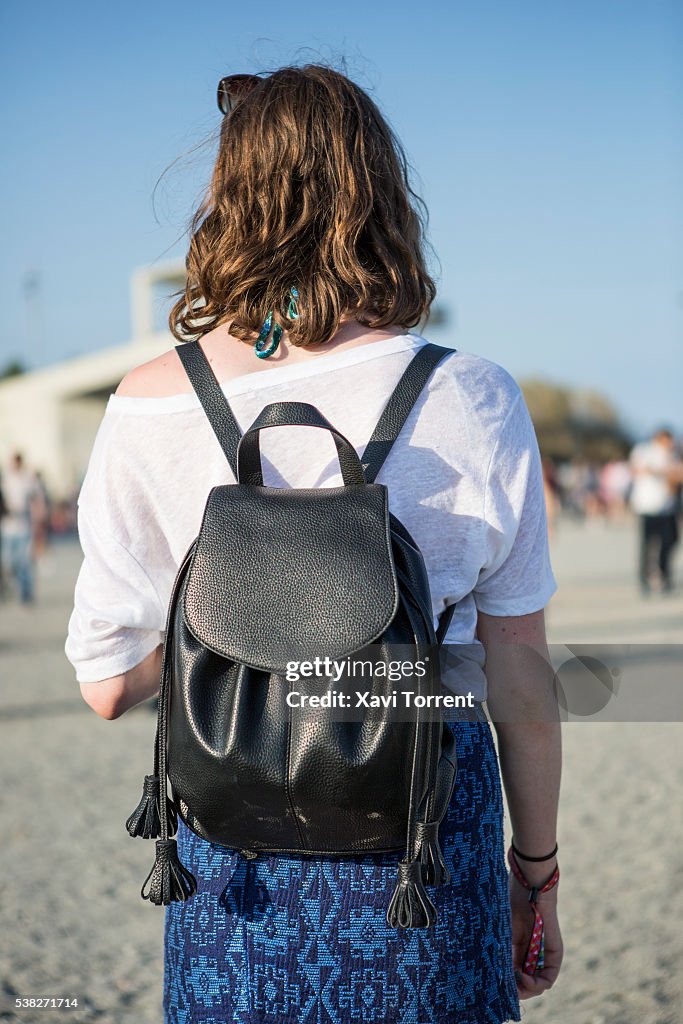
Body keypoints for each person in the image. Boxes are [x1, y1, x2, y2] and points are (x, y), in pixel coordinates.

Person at [65, 65, 562, 1024]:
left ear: (226, 201)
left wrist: (246, 631)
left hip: (232, 861)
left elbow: (106, 687)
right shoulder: (474, 395)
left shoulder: (146, 405)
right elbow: (522, 683)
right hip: (423, 846)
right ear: (381, 196)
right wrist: (534, 874)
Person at [629, 427, 682, 594]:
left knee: (670, 540)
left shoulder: (672, 454)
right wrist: (667, 471)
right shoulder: (645, 451)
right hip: (648, 506)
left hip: (667, 507)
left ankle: (664, 574)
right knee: (647, 544)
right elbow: (640, 469)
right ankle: (644, 579)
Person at [0, 452, 40, 604]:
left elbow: (35, 499)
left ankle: (26, 593)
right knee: (9, 562)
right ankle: (8, 587)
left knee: (24, 561)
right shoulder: (6, 479)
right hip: (8, 527)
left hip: (23, 527)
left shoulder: (27, 479)